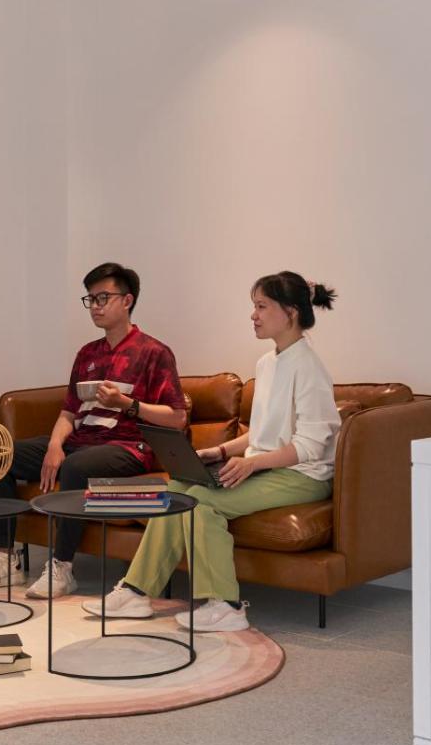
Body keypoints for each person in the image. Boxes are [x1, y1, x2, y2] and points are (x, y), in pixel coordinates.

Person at [83, 271, 340, 632]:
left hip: (303, 475)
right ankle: (136, 592)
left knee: (203, 502)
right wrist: (218, 451)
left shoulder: (309, 367)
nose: (253, 315)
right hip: (270, 467)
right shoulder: (267, 364)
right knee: (175, 491)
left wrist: (252, 465)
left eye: (262, 306)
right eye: (254, 306)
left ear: (291, 312)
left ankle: (226, 606)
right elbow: (262, 435)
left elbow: (310, 446)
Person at [0, 262, 188, 599]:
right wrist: (55, 445)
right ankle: (4, 559)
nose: (95, 306)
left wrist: (127, 404)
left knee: (75, 466)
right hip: (81, 441)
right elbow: (68, 411)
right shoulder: (87, 354)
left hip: (129, 447)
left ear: (127, 301)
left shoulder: (154, 352)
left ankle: (62, 567)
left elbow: (177, 418)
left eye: (103, 298)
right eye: (90, 299)